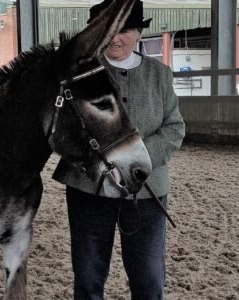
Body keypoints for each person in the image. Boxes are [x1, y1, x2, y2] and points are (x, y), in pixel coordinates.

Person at [52, 0, 185, 299]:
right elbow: (62, 128)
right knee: (87, 277)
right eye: (108, 30)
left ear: (138, 32)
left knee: (149, 279)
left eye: (124, 30)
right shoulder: (81, 74)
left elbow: (175, 128)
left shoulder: (160, 74)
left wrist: (133, 155)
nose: (115, 38)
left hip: (147, 191)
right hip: (89, 190)